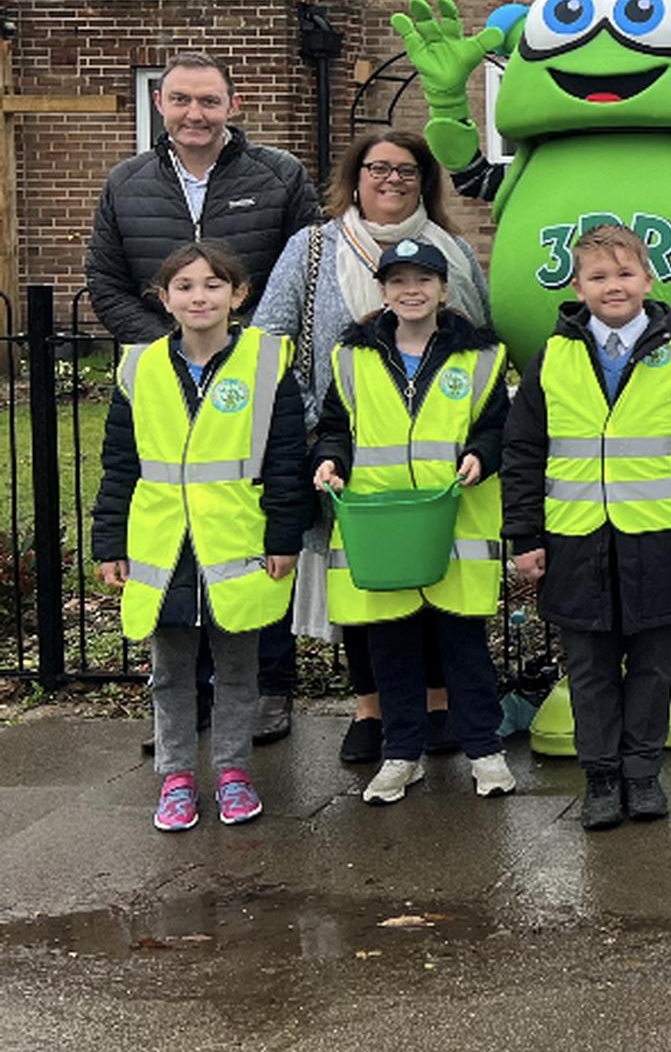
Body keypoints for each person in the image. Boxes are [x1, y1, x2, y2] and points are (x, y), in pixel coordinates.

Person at [85, 52, 320, 745]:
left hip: (251, 375)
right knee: (177, 537)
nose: (195, 114)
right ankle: (181, 710)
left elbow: (306, 263)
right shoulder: (125, 182)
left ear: (232, 105)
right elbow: (104, 279)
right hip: (164, 382)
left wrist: (237, 344)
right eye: (182, 100)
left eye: (209, 101)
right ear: (161, 103)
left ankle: (269, 688)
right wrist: (171, 345)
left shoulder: (278, 175)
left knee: (252, 535)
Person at [257, 129, 490, 763]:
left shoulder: (455, 253)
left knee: (442, 576)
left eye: (407, 170)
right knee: (364, 582)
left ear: (426, 181)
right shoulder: (312, 249)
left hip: (441, 459)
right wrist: (312, 430)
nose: (392, 180)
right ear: (354, 177)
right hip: (342, 451)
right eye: (378, 168)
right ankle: (371, 710)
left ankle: (440, 704)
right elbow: (270, 340)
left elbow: (481, 343)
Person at [502, 224, 671, 830]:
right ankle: (602, 778)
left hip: (659, 538)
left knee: (654, 667)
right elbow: (523, 451)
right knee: (590, 670)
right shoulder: (553, 357)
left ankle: (643, 775)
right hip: (576, 539)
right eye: (598, 276)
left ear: (648, 280)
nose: (613, 286)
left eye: (625, 273)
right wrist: (524, 537)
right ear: (577, 286)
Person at [90, 241, 310, 831]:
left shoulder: (267, 362)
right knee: (170, 672)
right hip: (163, 548)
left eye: (214, 284)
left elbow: (288, 459)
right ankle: (178, 778)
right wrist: (109, 543)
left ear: (238, 295)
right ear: (164, 299)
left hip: (236, 542)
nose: (199, 296)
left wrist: (284, 537)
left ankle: (234, 773)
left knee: (240, 669)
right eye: (184, 286)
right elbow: (120, 464)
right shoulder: (140, 368)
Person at [310, 237, 516, 805]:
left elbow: (498, 427)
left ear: (444, 289)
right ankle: (401, 754)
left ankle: (485, 750)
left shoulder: (480, 358)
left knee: (463, 646)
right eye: (398, 281)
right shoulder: (350, 358)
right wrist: (330, 460)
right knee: (391, 647)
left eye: (423, 280)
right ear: (382, 292)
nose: (411, 291)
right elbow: (335, 428)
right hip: (381, 527)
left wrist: (483, 453)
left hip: (455, 524)